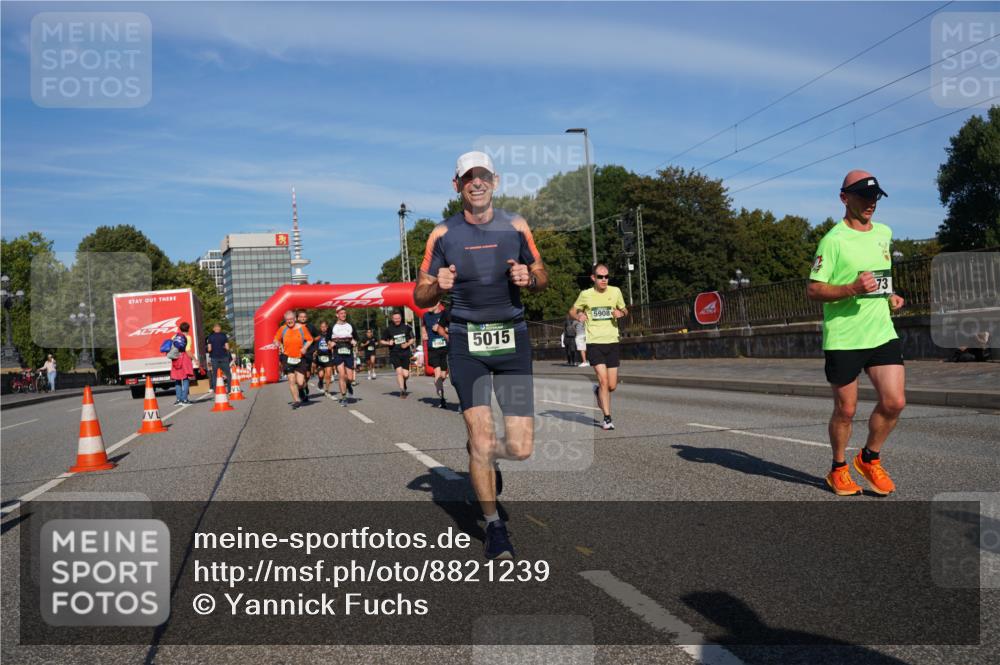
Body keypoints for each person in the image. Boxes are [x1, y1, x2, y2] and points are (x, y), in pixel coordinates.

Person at [414, 150, 548, 560]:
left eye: (483, 176)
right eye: (468, 177)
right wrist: (437, 285)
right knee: (483, 437)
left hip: (513, 341)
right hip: (465, 342)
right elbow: (419, 295)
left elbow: (542, 274)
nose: (477, 182)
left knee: (521, 447)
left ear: (495, 180)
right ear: (457, 185)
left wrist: (529, 278)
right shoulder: (442, 234)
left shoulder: (516, 225)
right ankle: (494, 526)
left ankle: (482, 456)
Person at [807, 170, 905, 497]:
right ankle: (838, 469)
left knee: (894, 402)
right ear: (844, 198)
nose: (870, 203)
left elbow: (879, 280)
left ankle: (869, 458)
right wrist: (851, 288)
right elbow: (814, 289)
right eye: (863, 196)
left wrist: (890, 296)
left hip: (881, 331)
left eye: (875, 196)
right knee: (846, 410)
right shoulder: (833, 240)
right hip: (845, 337)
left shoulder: (884, 233)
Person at [571, 264, 628, 430]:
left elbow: (625, 310)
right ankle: (607, 418)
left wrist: (621, 313)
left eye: (606, 277)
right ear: (593, 278)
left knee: (611, 386)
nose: (604, 280)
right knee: (603, 381)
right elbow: (572, 311)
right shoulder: (586, 294)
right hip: (594, 343)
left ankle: (597, 392)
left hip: (612, 342)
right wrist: (579, 315)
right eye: (600, 277)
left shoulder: (615, 291)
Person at [274, 309, 314, 409]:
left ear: (295, 319)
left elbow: (310, 339)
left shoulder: (302, 328)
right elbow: (276, 339)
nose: (289, 321)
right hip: (287, 357)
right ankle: (296, 400)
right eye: (287, 320)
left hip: (300, 357)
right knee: (291, 380)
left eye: (291, 319)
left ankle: (301, 389)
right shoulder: (282, 329)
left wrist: (305, 348)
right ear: (285, 320)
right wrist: (278, 344)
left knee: (300, 382)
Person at [423, 301, 451, 408]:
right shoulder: (426, 315)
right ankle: (442, 398)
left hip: (444, 347)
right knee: (438, 373)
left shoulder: (445, 314)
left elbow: (451, 327)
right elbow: (423, 326)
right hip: (432, 348)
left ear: (438, 303)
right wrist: (424, 334)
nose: (429, 306)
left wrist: (441, 328)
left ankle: (438, 385)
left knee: (443, 375)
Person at [380, 311, 414, 398]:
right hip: (394, 353)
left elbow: (412, 339)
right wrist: (388, 343)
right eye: (395, 318)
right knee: (399, 372)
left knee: (405, 374)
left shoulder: (407, 327)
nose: (397, 320)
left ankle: (404, 382)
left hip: (405, 353)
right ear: (392, 319)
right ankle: (402, 390)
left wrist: (407, 344)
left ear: (401, 318)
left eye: (398, 318)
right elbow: (381, 341)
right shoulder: (389, 329)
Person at [331, 306, 358, 406]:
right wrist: (330, 343)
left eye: (344, 313)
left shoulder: (350, 326)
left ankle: (348, 384)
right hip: (338, 353)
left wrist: (354, 341)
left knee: (350, 378)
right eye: (341, 313)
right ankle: (343, 397)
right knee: (341, 375)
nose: (343, 315)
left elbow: (356, 338)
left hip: (348, 352)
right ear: (337, 315)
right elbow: (327, 339)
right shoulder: (332, 326)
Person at [296, 310, 319, 400]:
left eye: (304, 317)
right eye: (301, 317)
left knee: (308, 375)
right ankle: (302, 392)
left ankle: (304, 386)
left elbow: (318, 336)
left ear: (307, 318)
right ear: (298, 318)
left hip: (308, 352)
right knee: (300, 373)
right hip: (297, 353)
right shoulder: (294, 327)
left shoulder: (311, 327)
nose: (303, 318)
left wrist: (312, 340)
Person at [170, 322, 195, 405]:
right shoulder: (188, 337)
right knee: (185, 379)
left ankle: (178, 399)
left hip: (175, 359)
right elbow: (187, 350)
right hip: (184, 359)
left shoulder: (174, 336)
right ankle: (185, 399)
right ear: (188, 329)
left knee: (177, 379)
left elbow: (171, 348)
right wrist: (195, 359)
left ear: (180, 329)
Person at [206, 323, 231, 392]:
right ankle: (229, 389)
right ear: (220, 329)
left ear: (213, 329)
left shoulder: (210, 337)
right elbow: (227, 347)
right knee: (228, 374)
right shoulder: (224, 336)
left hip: (214, 358)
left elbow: (209, 349)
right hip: (224, 357)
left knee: (214, 374)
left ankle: (215, 390)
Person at [314, 320, 335, 396]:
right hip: (319, 357)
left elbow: (333, 344)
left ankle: (327, 390)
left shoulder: (330, 336)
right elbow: (314, 344)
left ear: (327, 327)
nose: (323, 328)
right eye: (322, 327)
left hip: (328, 356)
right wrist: (315, 351)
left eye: (325, 327)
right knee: (321, 375)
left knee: (328, 374)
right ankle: (320, 381)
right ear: (320, 327)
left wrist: (331, 347)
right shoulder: (318, 335)